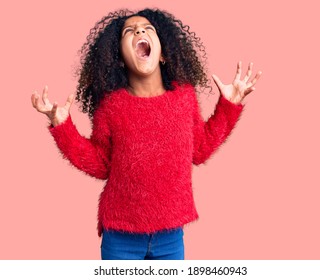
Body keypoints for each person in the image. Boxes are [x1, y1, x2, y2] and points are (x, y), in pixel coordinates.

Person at [31, 8, 262, 260]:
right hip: (120, 238)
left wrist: (229, 106)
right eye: (129, 32)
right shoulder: (111, 105)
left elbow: (199, 149)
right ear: (119, 58)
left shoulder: (183, 97)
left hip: (170, 237)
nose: (139, 30)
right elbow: (100, 164)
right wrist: (62, 126)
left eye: (147, 28)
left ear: (163, 54)